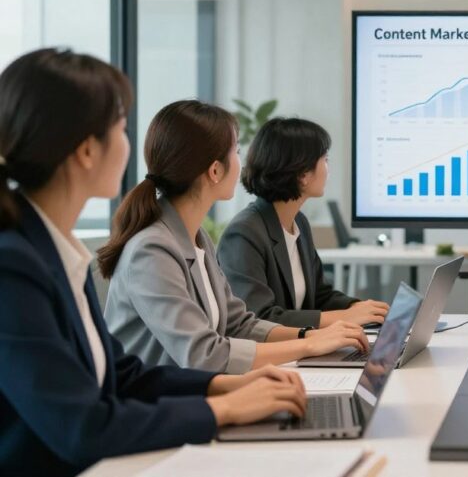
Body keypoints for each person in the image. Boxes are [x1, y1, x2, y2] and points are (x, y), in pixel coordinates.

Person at [0, 49, 309, 476]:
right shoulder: (13, 267)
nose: (131, 145)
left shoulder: (53, 250)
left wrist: (229, 386)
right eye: (122, 128)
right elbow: (82, 427)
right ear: (88, 150)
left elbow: (121, 374)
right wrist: (223, 411)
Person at [100, 100, 369, 374]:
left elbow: (239, 324)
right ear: (215, 171)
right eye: (237, 151)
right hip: (155, 407)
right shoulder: (152, 250)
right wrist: (307, 346)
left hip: (192, 393)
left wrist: (307, 336)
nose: (242, 162)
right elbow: (203, 355)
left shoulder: (196, 237)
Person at [218, 117, 389, 328]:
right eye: (325, 160)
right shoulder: (244, 233)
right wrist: (345, 318)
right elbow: (260, 318)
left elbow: (320, 295)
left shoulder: (298, 222)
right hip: (272, 356)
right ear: (303, 175)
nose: (328, 169)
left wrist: (361, 308)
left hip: (301, 351)